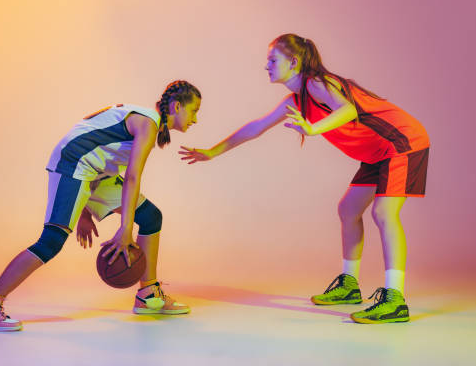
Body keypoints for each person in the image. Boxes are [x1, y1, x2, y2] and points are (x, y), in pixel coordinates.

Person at [180, 34, 429, 323]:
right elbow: (256, 128)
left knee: (384, 213)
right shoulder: (296, 101)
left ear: (294, 62)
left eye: (273, 60)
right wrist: (213, 152)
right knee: (348, 210)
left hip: (401, 141)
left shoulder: (317, 83)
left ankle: (395, 299)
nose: (267, 66)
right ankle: (349, 285)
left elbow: (348, 110)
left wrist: (312, 129)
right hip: (378, 152)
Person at [0, 80, 201, 331]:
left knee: (151, 217)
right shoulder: (148, 124)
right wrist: (124, 230)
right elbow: (132, 176)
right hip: (74, 165)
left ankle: (149, 295)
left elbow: (96, 145)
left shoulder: (148, 121)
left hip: (94, 171)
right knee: (51, 241)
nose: (195, 119)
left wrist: (86, 211)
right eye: (194, 111)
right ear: (177, 106)